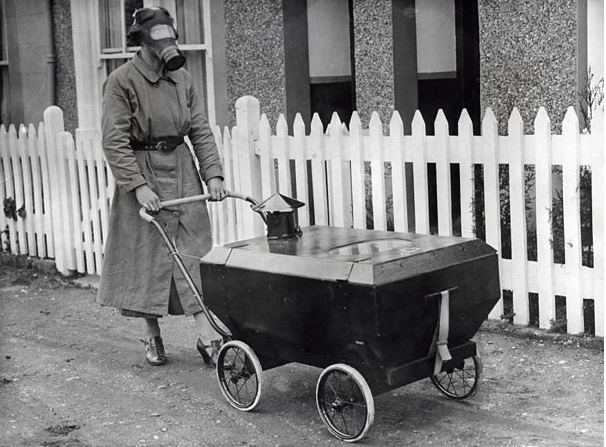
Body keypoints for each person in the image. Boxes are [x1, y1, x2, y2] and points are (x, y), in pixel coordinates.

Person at [97, 6, 225, 367]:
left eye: (171, 38)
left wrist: (212, 173)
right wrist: (137, 186)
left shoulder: (182, 78)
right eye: (159, 39)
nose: (167, 46)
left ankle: (207, 336)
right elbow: (114, 141)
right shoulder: (121, 81)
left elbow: (199, 128)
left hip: (182, 167)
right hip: (143, 170)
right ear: (142, 42)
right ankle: (151, 334)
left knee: (194, 249)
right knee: (145, 254)